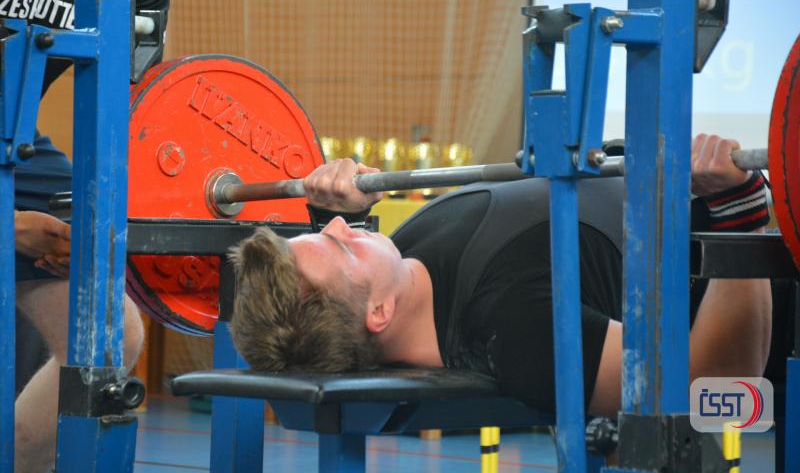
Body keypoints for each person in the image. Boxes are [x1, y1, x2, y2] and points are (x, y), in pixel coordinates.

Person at [229, 134, 774, 418]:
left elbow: (342, 293)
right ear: (379, 313)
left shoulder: (406, 259)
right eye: (335, 243)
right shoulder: (517, 334)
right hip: (765, 266)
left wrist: (333, 220)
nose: (341, 225)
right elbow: (716, 384)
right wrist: (741, 211)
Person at [1, 0, 172, 470]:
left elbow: (133, 101)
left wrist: (94, 226)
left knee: (109, 335)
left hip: (14, 139)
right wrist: (9, 228)